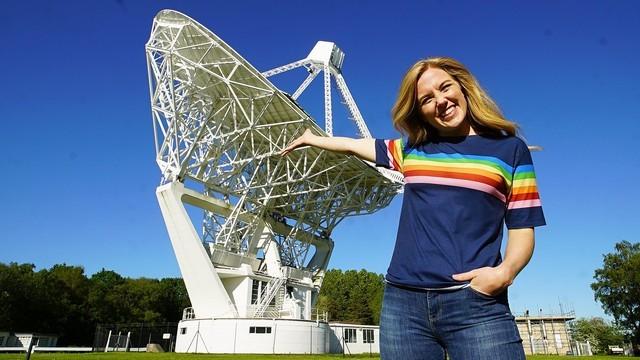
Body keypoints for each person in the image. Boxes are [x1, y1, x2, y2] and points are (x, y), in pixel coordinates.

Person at [281, 57, 546, 360]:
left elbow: (523, 227)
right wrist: (312, 138)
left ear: (463, 86)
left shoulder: (509, 151)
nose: (441, 101)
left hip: (477, 302)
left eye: (445, 88)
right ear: (420, 111)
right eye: (427, 99)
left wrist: (504, 273)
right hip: (403, 306)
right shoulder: (412, 150)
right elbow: (357, 145)